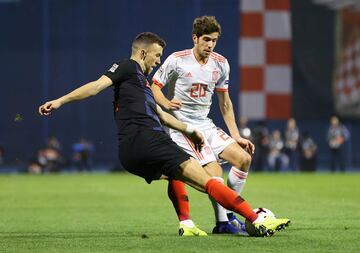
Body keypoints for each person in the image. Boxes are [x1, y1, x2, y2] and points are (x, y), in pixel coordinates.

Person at [38, 32, 289, 237]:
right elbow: (95, 87)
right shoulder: (127, 67)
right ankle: (256, 219)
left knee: (177, 176)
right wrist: (60, 101)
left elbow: (162, 115)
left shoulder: (140, 85)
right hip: (150, 140)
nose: (158, 61)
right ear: (143, 52)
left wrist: (190, 130)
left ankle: (187, 225)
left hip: (128, 153)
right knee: (211, 181)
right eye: (156, 56)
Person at [151, 16, 257, 234]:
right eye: (206, 39)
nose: (210, 45)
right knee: (214, 171)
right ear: (195, 38)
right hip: (183, 127)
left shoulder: (221, 64)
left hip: (206, 125)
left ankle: (227, 216)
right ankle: (223, 223)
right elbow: (154, 87)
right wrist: (166, 102)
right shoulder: (177, 60)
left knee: (244, 159)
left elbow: (225, 103)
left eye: (214, 40)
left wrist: (235, 135)